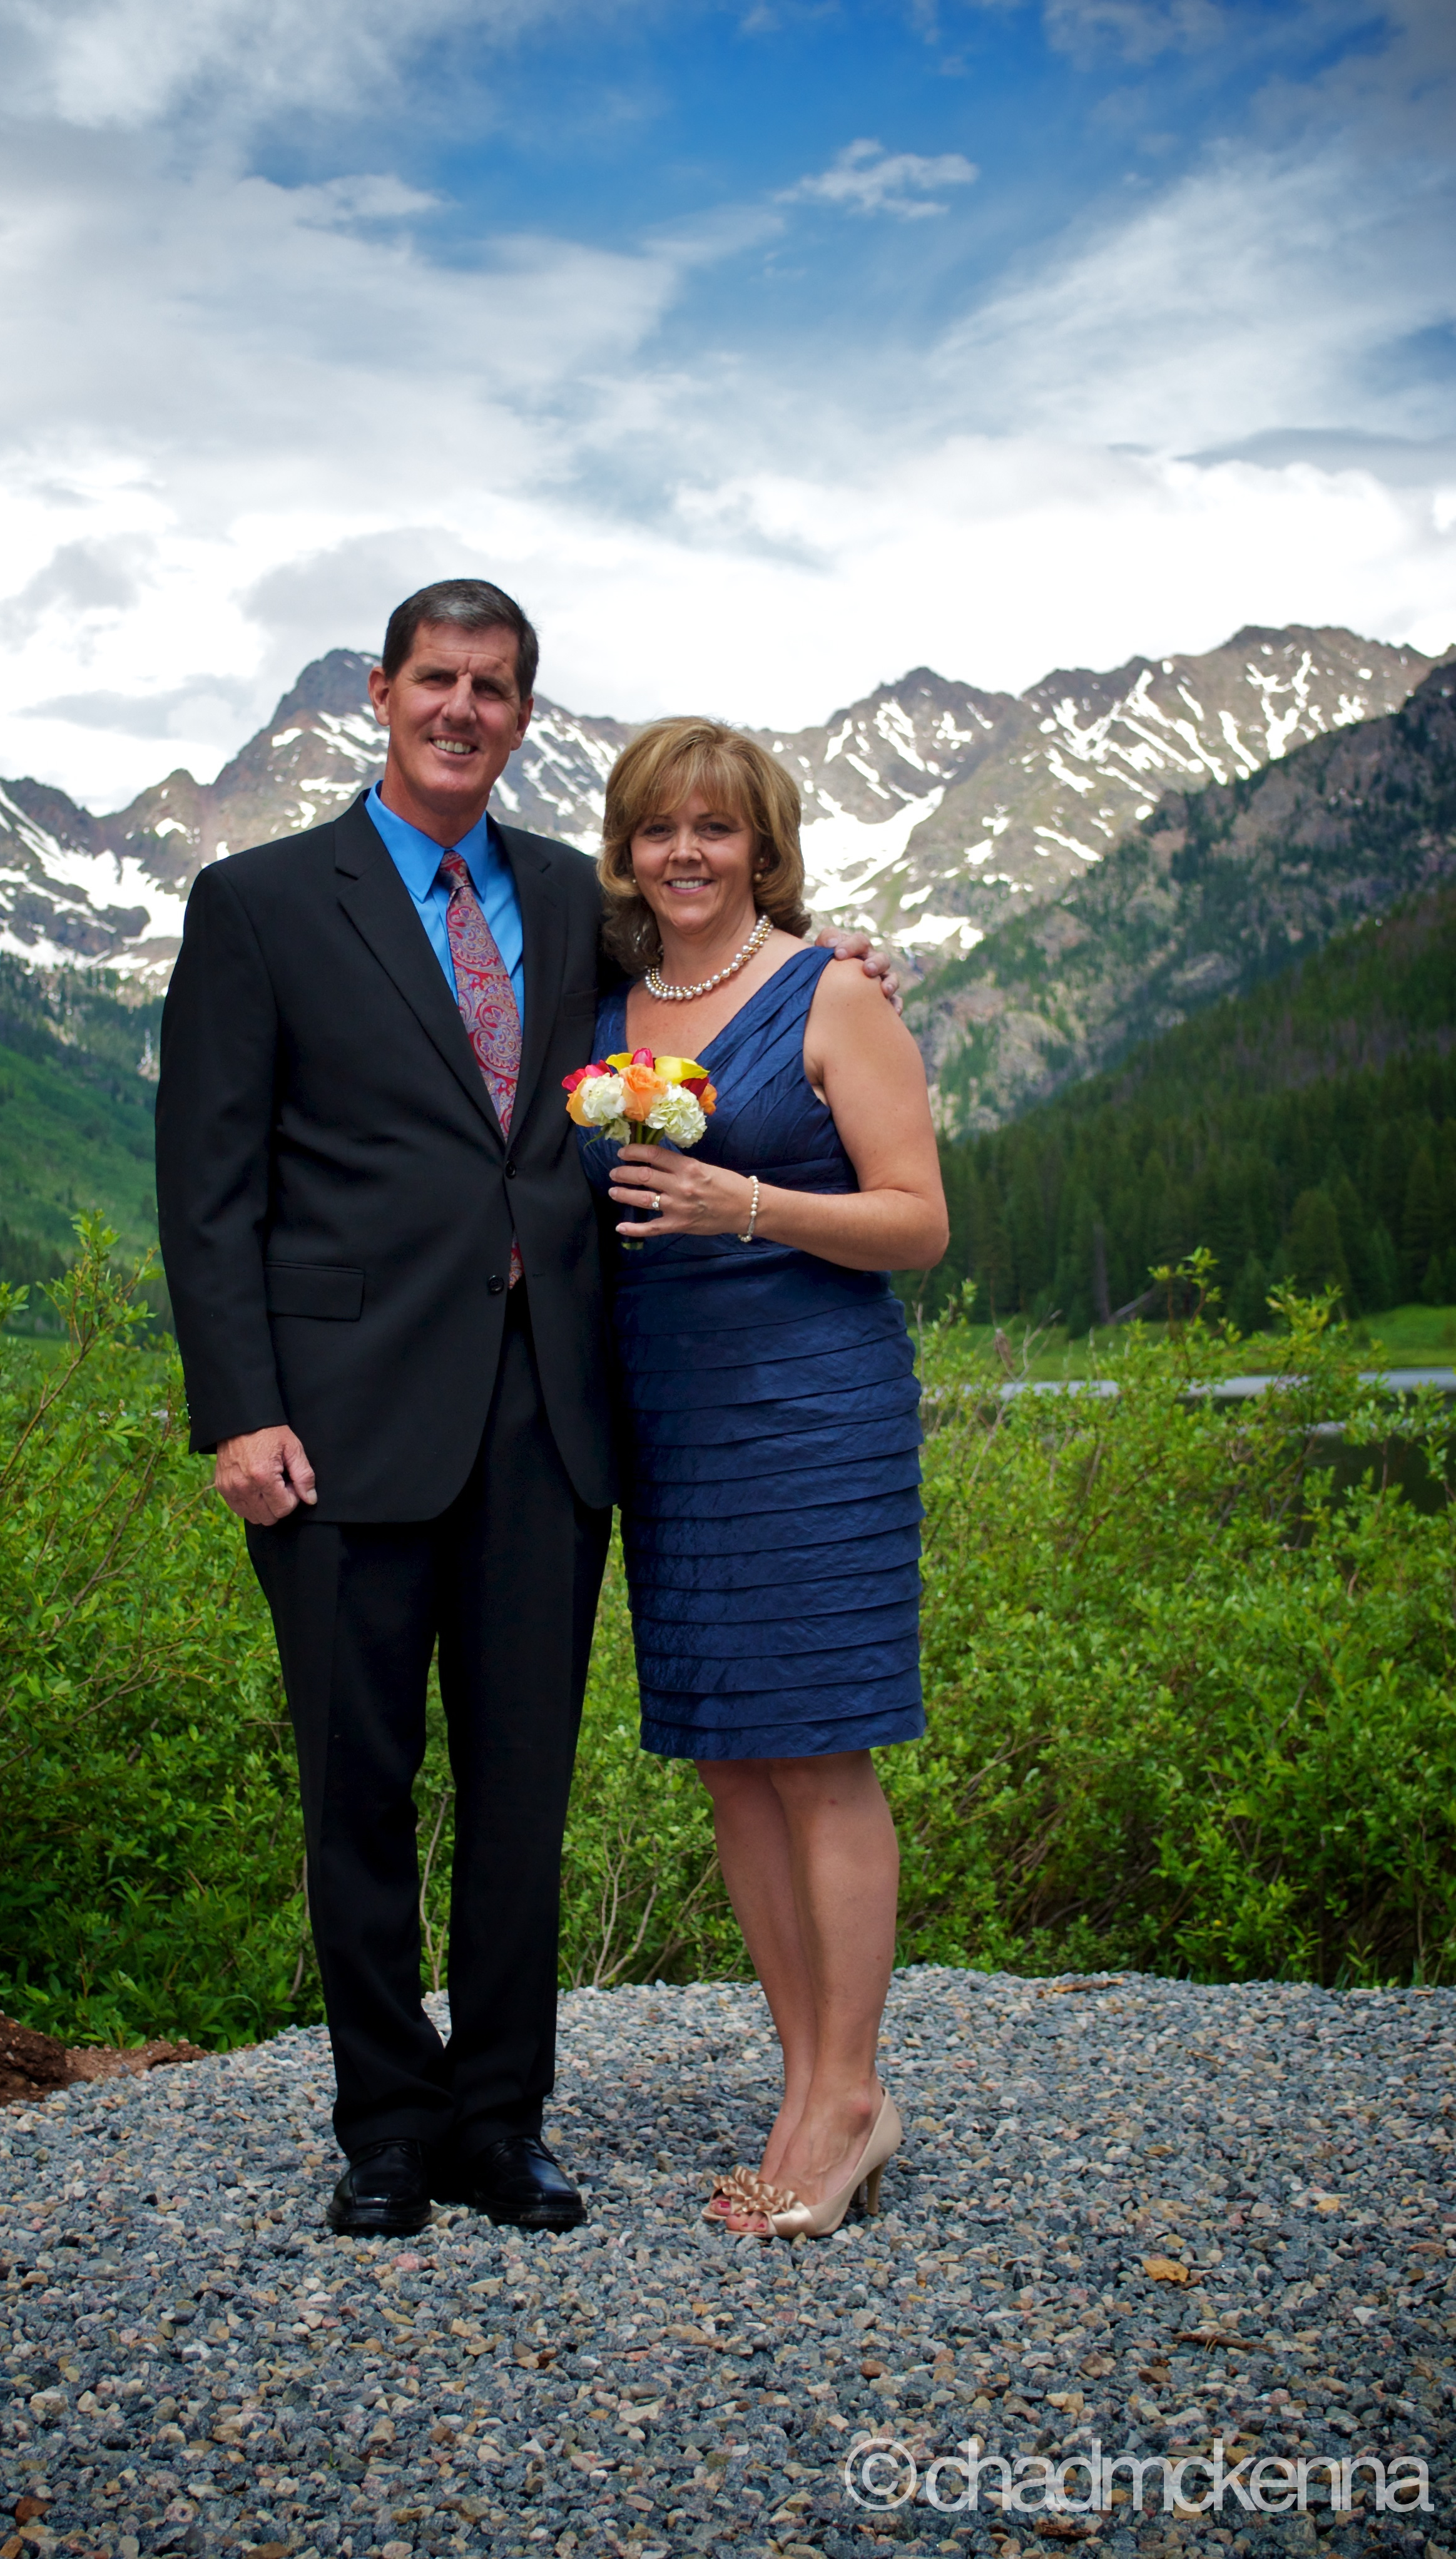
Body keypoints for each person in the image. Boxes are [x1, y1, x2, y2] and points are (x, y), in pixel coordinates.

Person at [155, 580, 899, 2239]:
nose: (463, 709)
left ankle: (501, 2119)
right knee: (355, 1788)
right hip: (333, 1421)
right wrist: (237, 1410)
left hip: (548, 1416)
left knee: (520, 1794)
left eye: (495, 687)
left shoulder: (578, 901)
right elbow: (205, 1186)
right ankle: (383, 2126)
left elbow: (731, 965)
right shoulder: (263, 903)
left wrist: (855, 955)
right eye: (438, 679)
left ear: (521, 714)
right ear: (379, 691)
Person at [578, 718, 949, 2241]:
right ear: (625, 846)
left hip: (809, 1410)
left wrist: (745, 1199)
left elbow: (917, 1222)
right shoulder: (602, 1002)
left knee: (821, 1750)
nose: (685, 852)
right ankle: (801, 2083)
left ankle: (852, 2098)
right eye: (659, 826)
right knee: (732, 1753)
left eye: (715, 829)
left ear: (762, 845)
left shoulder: (834, 992)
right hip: (672, 1417)